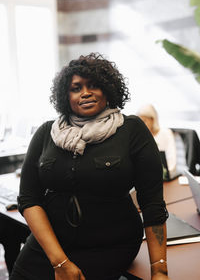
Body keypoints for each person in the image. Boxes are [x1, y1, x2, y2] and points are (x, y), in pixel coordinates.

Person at [10, 53, 170, 280]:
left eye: (94, 85)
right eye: (76, 88)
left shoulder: (132, 130)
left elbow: (152, 204)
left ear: (108, 89)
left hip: (109, 245)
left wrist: (160, 271)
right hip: (50, 244)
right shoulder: (47, 133)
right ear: (66, 95)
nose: (85, 93)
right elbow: (29, 198)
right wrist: (60, 262)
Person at [137, 104, 177, 179]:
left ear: (153, 120)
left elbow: (172, 164)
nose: (141, 125)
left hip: (163, 179)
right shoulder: (139, 136)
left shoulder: (166, 133)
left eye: (144, 121)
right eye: (140, 122)